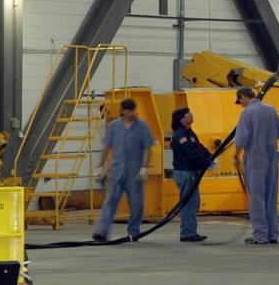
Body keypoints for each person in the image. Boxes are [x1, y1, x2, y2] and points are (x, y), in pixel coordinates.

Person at [92, 97, 155, 242]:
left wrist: (144, 168)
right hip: (117, 171)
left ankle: (133, 231)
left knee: (136, 203)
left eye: (132, 110)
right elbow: (106, 146)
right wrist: (100, 167)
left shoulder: (142, 127)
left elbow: (148, 148)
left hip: (135, 173)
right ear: (122, 111)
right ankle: (102, 231)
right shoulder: (114, 126)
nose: (130, 113)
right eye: (127, 111)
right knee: (110, 201)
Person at [234, 86, 279, 245]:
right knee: (271, 197)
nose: (241, 105)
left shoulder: (247, 113)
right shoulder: (271, 109)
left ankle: (260, 235)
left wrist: (236, 156)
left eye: (240, 102)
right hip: (272, 159)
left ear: (243, 97)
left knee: (257, 199)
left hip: (255, 159)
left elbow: (241, 139)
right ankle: (272, 234)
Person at [170, 107, 215, 243]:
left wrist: (210, 156)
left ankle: (191, 231)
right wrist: (205, 162)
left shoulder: (189, 132)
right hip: (185, 172)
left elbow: (199, 147)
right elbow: (191, 153)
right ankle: (187, 233)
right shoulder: (180, 135)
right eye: (188, 114)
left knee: (193, 203)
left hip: (191, 171)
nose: (191, 115)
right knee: (188, 203)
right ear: (181, 119)